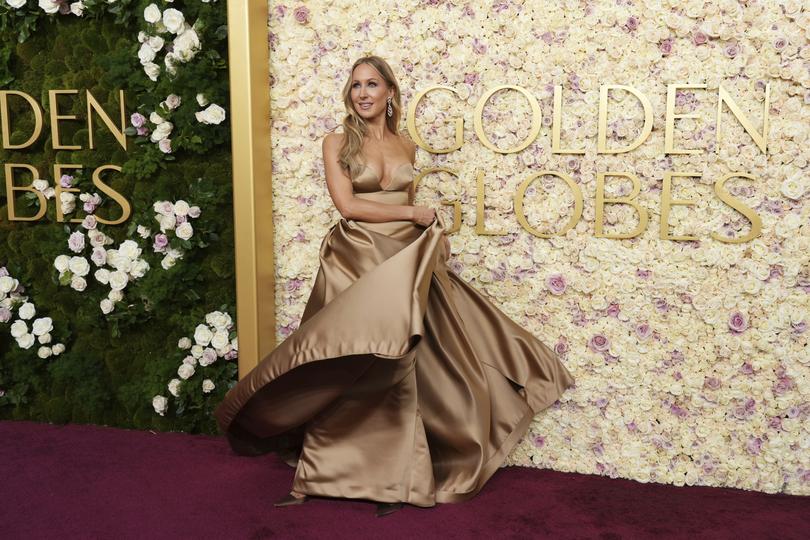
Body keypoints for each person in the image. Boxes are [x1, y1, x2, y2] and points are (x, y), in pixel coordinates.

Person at [214, 56, 576, 518]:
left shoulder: (405, 144)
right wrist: (413, 215)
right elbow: (348, 206)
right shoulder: (336, 141)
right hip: (354, 258)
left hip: (403, 257)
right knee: (349, 361)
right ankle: (325, 472)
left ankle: (396, 474)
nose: (362, 93)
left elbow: (404, 204)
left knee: (407, 364)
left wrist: (431, 241)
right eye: (355, 85)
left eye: (372, 84)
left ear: (389, 93)